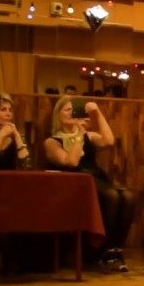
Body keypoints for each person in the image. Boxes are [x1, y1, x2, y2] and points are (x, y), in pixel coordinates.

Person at [44, 96, 134, 272]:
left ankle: (114, 250)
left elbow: (108, 141)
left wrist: (97, 113)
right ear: (58, 115)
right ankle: (100, 250)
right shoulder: (52, 141)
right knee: (112, 196)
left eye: (75, 110)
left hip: (95, 178)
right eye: (67, 110)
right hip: (74, 182)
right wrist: (77, 136)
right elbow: (71, 162)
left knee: (128, 197)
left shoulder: (89, 135)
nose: (72, 113)